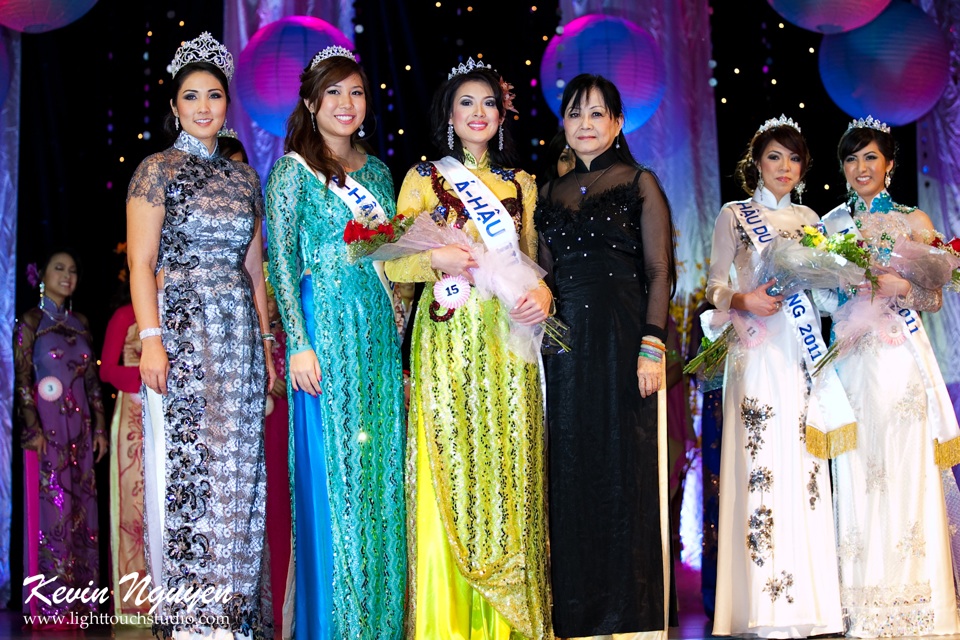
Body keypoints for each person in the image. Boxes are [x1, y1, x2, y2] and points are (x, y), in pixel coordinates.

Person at [385, 58, 553, 639]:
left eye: (488, 103)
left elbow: (532, 268)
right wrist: (436, 258)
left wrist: (544, 299)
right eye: (466, 103)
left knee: (507, 467)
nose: (478, 113)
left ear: (501, 113)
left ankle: (507, 623)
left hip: (507, 348)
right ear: (449, 116)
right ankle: (445, 622)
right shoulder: (422, 177)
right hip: (448, 338)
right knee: (448, 463)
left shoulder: (521, 185)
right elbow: (391, 259)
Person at [126, 32, 274, 640]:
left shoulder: (244, 179)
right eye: (193, 96)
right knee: (192, 466)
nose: (205, 106)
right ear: (176, 105)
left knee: (240, 472)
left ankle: (233, 617)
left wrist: (266, 344)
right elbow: (140, 264)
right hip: (183, 326)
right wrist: (152, 337)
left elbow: (254, 269)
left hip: (238, 330)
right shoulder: (156, 170)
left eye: (215, 95)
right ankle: (191, 621)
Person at [265, 45, 406, 638]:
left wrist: (398, 335)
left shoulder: (377, 172)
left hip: (374, 332)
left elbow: (394, 257)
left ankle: (378, 620)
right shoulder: (292, 171)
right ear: (310, 102)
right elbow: (278, 259)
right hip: (322, 331)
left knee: (378, 471)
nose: (347, 105)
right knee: (332, 470)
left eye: (356, 92)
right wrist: (297, 342)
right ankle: (332, 621)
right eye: (334, 94)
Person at [534, 73, 676, 639]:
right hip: (564, 342)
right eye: (575, 114)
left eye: (598, 114)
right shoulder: (549, 192)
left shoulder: (640, 182)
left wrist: (652, 344)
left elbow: (661, 270)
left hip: (623, 338)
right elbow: (543, 275)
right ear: (564, 125)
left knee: (626, 466)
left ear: (617, 124)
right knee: (569, 467)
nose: (586, 124)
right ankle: (578, 615)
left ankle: (633, 617)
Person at [822, 116, 960, 637]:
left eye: (871, 157)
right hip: (852, 359)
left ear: (890, 165)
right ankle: (860, 607)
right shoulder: (828, 224)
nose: (862, 167)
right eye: (852, 158)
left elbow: (934, 296)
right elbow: (814, 296)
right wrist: (840, 283)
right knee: (857, 470)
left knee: (905, 468)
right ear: (842, 168)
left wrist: (899, 285)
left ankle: (918, 605)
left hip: (900, 359)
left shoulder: (913, 220)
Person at [708, 116, 845, 638]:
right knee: (761, 461)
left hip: (801, 355)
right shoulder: (733, 215)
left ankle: (810, 604)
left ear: (803, 167)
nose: (784, 167)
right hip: (758, 351)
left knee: (805, 465)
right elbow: (715, 286)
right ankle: (763, 606)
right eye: (774, 157)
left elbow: (827, 293)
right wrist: (744, 299)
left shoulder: (813, 218)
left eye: (793, 158)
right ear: (757, 163)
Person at [15, 249, 107, 624]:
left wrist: (100, 427)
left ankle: (82, 601)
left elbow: (92, 381)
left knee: (83, 513)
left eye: (72, 270)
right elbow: (21, 378)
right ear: (42, 276)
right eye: (59, 269)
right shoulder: (31, 322)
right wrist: (32, 427)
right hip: (47, 431)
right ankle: (50, 604)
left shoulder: (81, 322)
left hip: (81, 431)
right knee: (53, 511)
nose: (67, 276)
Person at [99, 264, 151, 623]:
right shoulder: (123, 316)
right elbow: (106, 370)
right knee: (132, 507)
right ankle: (134, 603)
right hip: (132, 417)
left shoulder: (173, 307)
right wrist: (148, 378)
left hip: (167, 415)